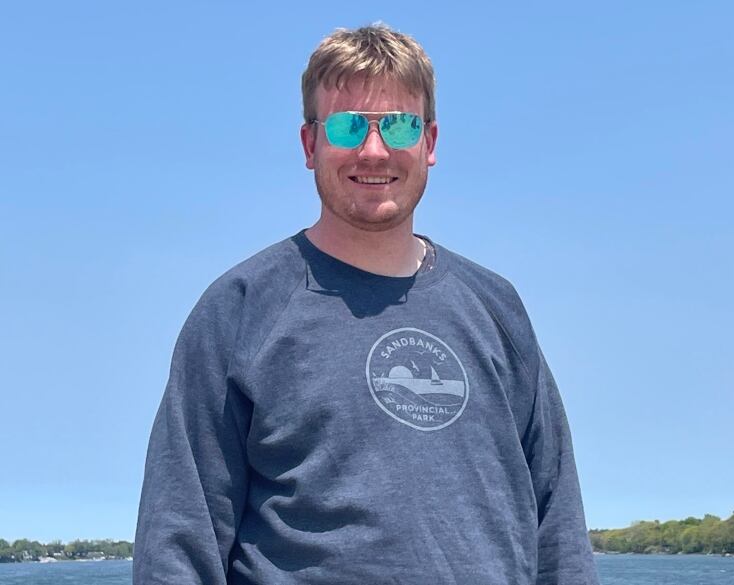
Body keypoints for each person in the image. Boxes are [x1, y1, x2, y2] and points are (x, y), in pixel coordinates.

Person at [133, 24, 600, 585]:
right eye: (349, 125)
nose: (373, 149)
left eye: (398, 125)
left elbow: (559, 525)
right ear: (310, 145)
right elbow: (179, 541)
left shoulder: (497, 308)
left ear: (429, 142)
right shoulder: (239, 310)